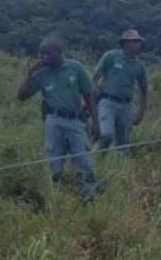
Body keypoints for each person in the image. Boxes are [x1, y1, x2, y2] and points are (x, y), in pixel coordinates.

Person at [17, 34, 100, 201]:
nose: (43, 58)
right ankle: (55, 197)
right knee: (54, 163)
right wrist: (29, 73)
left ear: (58, 53)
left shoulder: (75, 68)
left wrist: (96, 122)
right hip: (53, 121)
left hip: (76, 120)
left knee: (84, 161)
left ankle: (90, 196)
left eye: (47, 54)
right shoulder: (41, 74)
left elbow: (89, 95)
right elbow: (22, 96)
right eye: (41, 54)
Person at [92, 29, 149, 153]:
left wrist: (141, 112)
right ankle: (95, 159)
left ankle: (117, 168)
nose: (138, 44)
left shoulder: (139, 65)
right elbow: (95, 76)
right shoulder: (111, 56)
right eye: (134, 41)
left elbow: (144, 89)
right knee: (106, 134)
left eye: (138, 41)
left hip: (126, 105)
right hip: (108, 101)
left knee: (123, 144)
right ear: (126, 43)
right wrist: (96, 90)